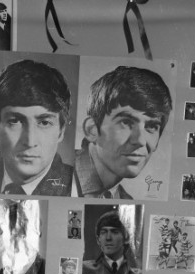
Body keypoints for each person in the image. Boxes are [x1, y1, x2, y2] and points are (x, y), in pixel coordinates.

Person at [0, 59, 73, 196]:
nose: (29, 141)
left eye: (44, 123)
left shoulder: (74, 185)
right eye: (14, 121)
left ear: (61, 131)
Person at [73, 66, 173, 199]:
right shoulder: (57, 177)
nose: (140, 140)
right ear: (92, 130)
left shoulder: (126, 200)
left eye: (152, 126)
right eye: (126, 122)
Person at [82, 210, 142, 274]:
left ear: (126, 238)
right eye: (103, 232)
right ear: (98, 240)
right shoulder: (84, 270)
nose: (108, 238)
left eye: (115, 232)